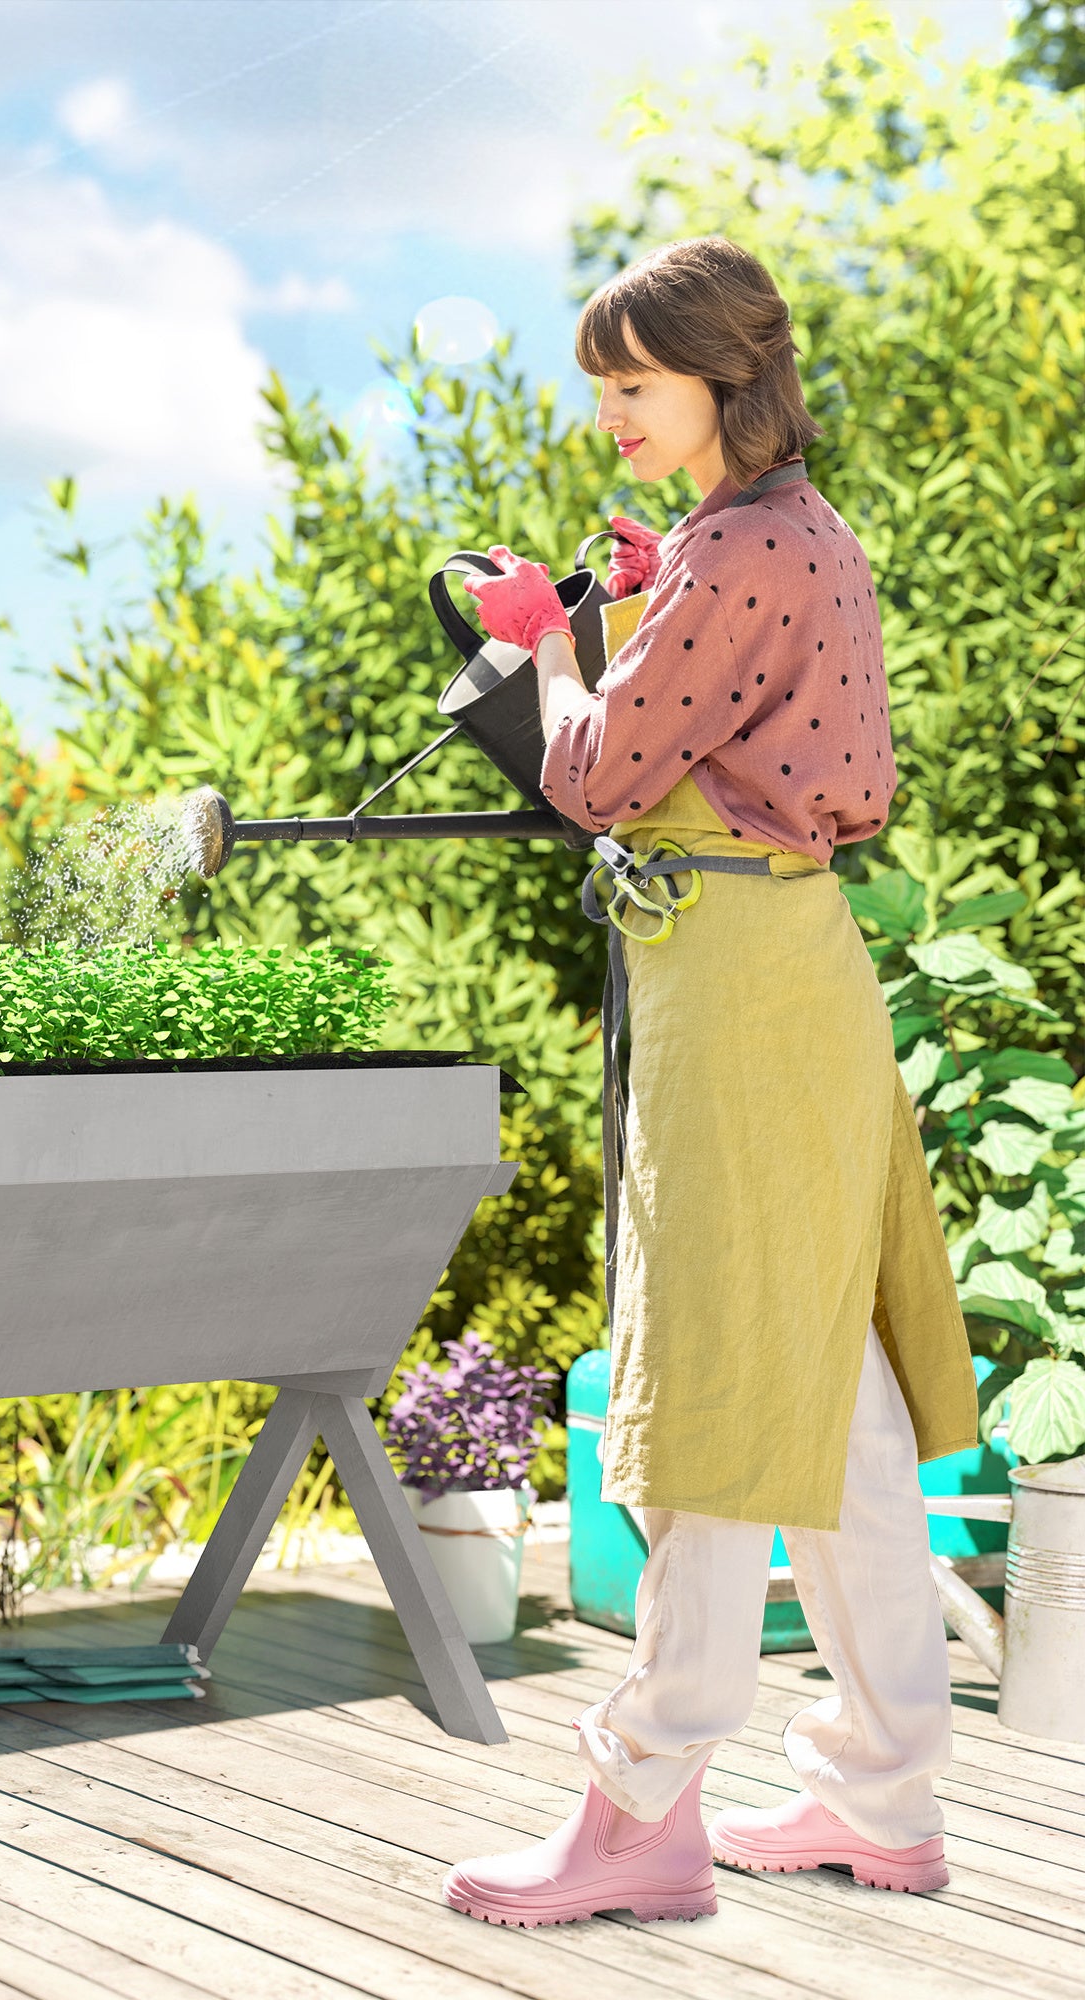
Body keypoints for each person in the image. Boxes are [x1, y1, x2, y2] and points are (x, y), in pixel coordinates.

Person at [441, 237, 977, 1929]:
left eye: (632, 386)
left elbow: (595, 775)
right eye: (606, 386)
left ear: (720, 383)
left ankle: (641, 1809)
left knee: (721, 1402)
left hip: (734, 992)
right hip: (799, 966)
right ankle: (882, 1798)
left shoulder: (737, 550)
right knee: (842, 1410)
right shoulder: (788, 537)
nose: (609, 412)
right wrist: (642, 597)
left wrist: (544, 643)